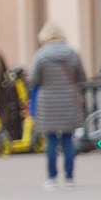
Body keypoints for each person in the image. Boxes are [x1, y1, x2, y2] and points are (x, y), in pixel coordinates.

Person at [30, 24, 88, 187]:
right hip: (69, 101)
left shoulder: (40, 55)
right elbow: (82, 77)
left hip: (47, 103)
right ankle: (69, 177)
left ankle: (52, 178)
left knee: (51, 140)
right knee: (69, 138)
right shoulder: (72, 54)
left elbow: (33, 79)